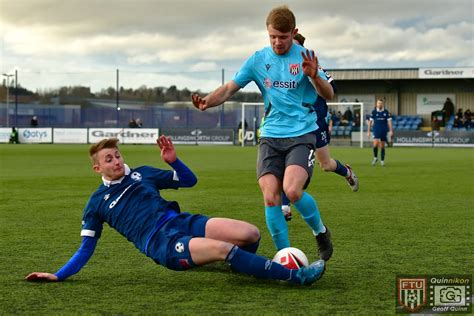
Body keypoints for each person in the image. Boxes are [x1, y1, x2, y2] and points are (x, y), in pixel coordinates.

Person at [25, 136, 325, 286]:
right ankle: (293, 277)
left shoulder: (142, 174)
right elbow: (86, 248)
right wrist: (59, 275)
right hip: (162, 243)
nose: (116, 161)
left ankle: (238, 264)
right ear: (97, 168)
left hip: (183, 221)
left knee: (249, 233)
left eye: (117, 155)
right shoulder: (96, 203)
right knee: (223, 248)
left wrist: (172, 161)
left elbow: (189, 180)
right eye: (108, 159)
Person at [191, 5, 334, 261]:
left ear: (294, 33)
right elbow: (229, 88)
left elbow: (329, 94)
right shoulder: (258, 59)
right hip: (270, 136)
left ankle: (320, 231)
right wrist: (207, 102)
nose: (278, 42)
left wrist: (314, 77)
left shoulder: (305, 58)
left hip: (302, 134)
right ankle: (284, 256)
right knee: (271, 196)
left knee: (291, 191)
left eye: (283, 37)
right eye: (272, 37)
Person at [281, 32, 359, 222]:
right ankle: (285, 205)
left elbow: (332, 90)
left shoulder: (312, 66)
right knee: (288, 162)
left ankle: (346, 171)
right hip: (293, 125)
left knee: (326, 165)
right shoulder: (280, 68)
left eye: (295, 45)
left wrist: (314, 76)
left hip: (315, 122)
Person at [367, 99, 393, 166]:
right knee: (375, 144)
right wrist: (368, 131)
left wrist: (391, 130)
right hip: (376, 129)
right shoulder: (374, 112)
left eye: (381, 103)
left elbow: (389, 122)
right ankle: (375, 158)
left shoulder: (386, 112)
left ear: (382, 104)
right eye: (378, 103)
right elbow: (370, 122)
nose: (380, 104)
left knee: (382, 146)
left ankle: (382, 160)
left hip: (383, 130)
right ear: (376, 104)